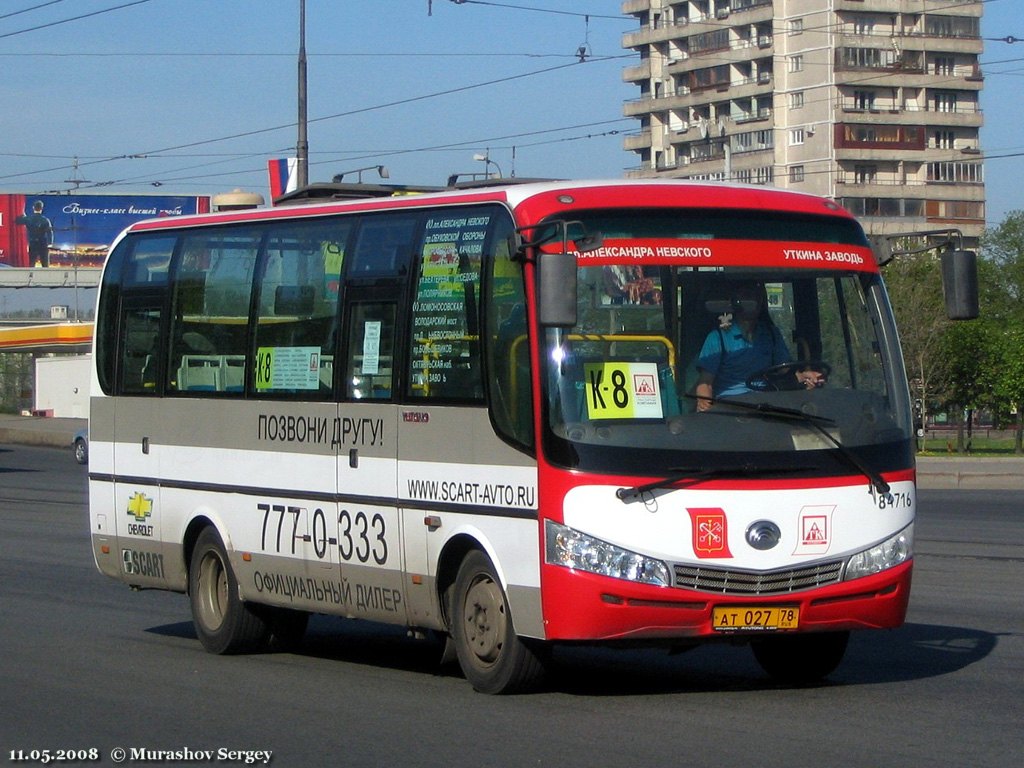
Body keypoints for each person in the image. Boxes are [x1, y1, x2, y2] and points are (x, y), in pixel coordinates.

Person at [694, 280, 823, 411]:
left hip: (766, 405)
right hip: (730, 407)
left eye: (756, 297)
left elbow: (785, 372)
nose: (753, 301)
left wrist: (804, 377)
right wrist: (705, 405)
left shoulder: (771, 334)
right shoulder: (718, 337)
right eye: (747, 297)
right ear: (735, 302)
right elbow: (705, 383)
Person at [15, 200, 54, 268]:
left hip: (33, 244)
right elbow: (50, 232)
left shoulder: (28, 219)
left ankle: (30, 278)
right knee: (45, 265)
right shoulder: (45, 220)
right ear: (42, 208)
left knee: (31, 264)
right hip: (43, 244)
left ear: (33, 208)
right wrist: (50, 243)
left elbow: (17, 221)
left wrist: (22, 214)